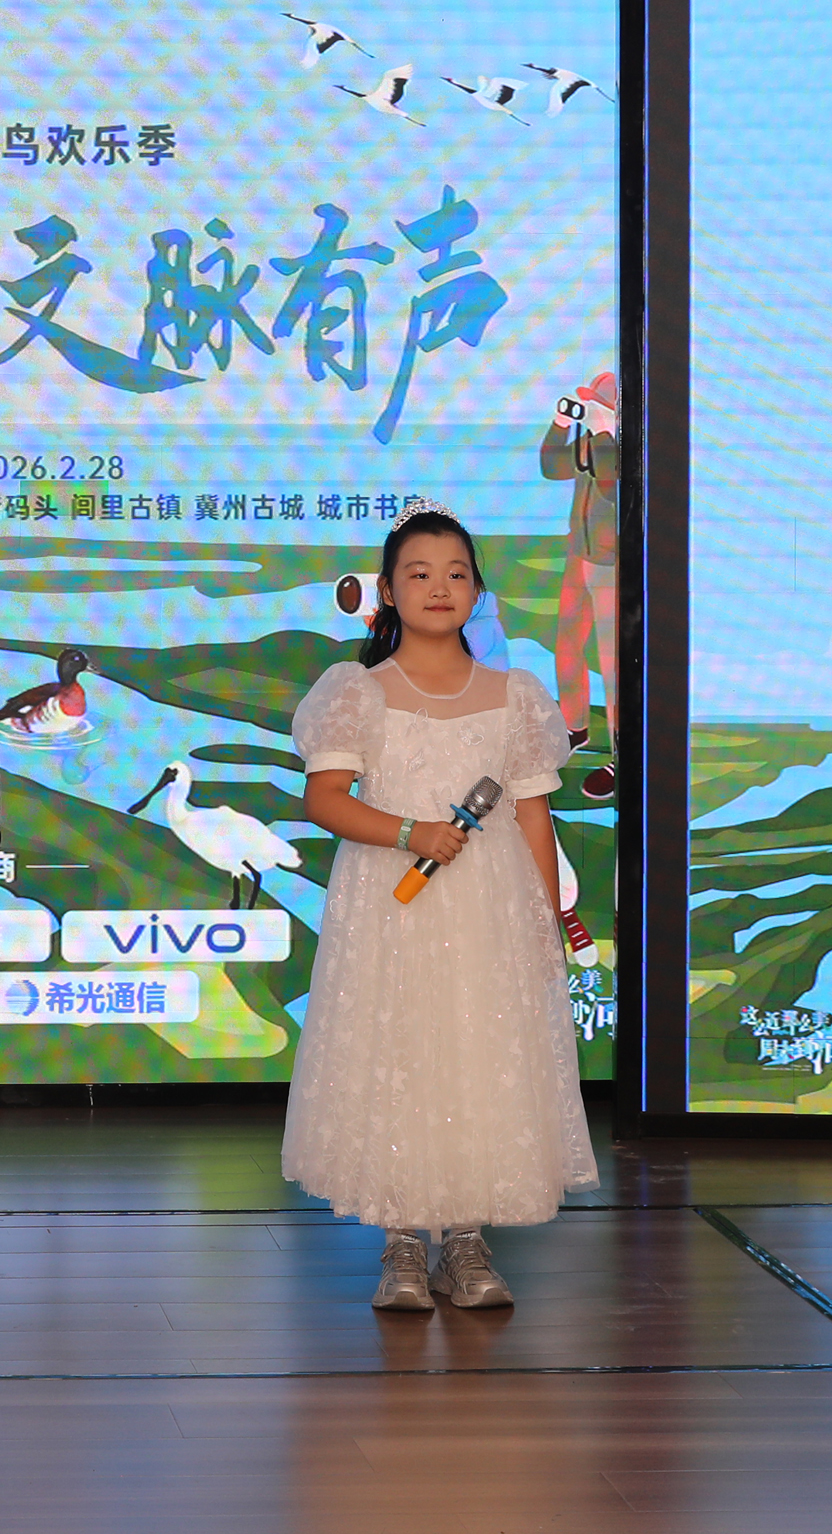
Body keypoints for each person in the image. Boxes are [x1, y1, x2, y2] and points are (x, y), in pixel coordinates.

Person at [283, 510, 596, 1311]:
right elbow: (325, 799)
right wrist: (409, 831)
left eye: (457, 573)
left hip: (489, 909)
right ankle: (401, 1241)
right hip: (393, 905)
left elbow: (533, 817)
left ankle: (465, 1239)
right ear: (388, 590)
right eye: (418, 573)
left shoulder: (515, 696)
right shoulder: (358, 690)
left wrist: (544, 923)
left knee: (478, 1057)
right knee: (403, 1053)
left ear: (477, 590)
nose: (439, 587)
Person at [539, 370, 619, 801]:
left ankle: (624, 754)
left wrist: (604, 432)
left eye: (598, 405)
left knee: (613, 663)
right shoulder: (593, 442)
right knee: (567, 645)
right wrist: (561, 424)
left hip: (613, 564)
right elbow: (552, 467)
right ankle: (574, 728)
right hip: (580, 554)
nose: (591, 412)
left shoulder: (628, 449)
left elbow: (609, 481)